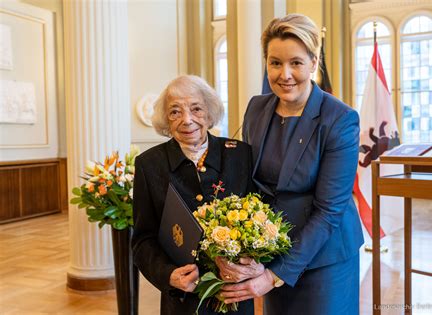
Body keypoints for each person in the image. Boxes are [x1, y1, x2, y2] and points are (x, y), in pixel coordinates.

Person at [217, 14, 364, 314]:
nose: (284, 74)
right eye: (275, 63)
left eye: (296, 62)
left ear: (314, 61)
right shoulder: (257, 109)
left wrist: (274, 276)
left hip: (326, 258)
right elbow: (248, 185)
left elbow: (328, 212)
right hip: (272, 251)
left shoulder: (340, 119)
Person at [132, 75, 258, 315]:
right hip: (184, 301)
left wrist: (252, 265)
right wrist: (168, 275)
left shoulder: (240, 155)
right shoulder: (149, 165)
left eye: (196, 109)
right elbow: (142, 240)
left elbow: (260, 217)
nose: (187, 120)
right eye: (175, 112)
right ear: (166, 121)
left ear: (209, 114)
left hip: (234, 296)